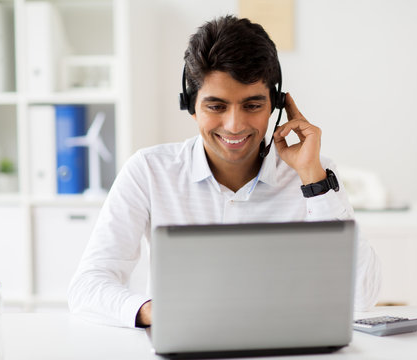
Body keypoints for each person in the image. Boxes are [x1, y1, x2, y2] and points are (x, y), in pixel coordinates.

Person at [68, 15, 381, 328]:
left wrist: (314, 180)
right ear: (190, 105)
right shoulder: (149, 171)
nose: (234, 125)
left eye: (252, 105)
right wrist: (154, 312)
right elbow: (87, 288)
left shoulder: (313, 172)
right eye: (216, 106)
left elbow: (361, 297)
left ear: (274, 104)